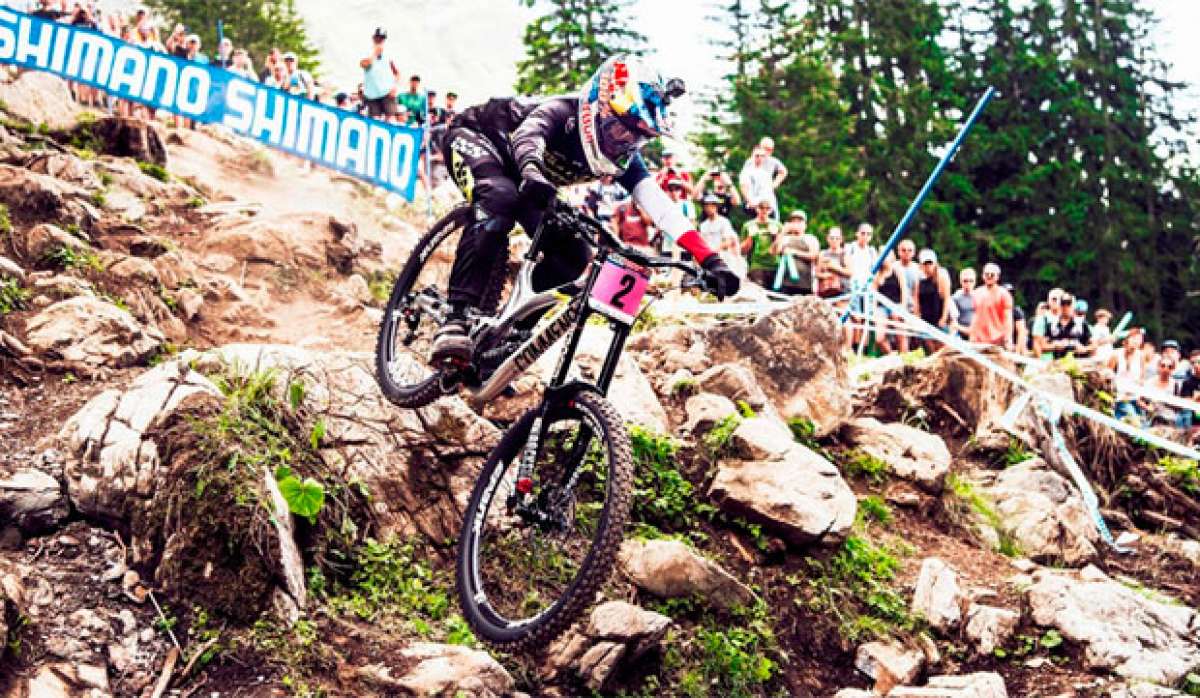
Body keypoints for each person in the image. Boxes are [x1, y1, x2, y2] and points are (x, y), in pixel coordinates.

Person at [431, 56, 738, 362]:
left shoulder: (626, 161)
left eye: (637, 138)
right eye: (621, 130)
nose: (625, 143)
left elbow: (662, 208)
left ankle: (509, 335)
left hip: (529, 178)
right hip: (476, 137)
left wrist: (710, 259)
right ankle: (455, 318)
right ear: (599, 108)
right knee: (499, 198)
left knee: (574, 254)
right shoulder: (564, 112)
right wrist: (533, 172)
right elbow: (529, 136)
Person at [771, 210, 818, 295]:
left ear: (805, 225)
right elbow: (774, 251)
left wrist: (794, 252)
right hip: (785, 283)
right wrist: (782, 232)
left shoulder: (810, 238)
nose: (796, 224)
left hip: (805, 283)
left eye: (799, 222)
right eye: (793, 222)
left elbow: (814, 255)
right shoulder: (785, 238)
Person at [913, 249, 951, 353]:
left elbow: (947, 298)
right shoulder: (919, 279)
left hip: (939, 318)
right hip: (925, 318)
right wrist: (917, 317)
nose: (928, 266)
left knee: (942, 349)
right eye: (925, 263)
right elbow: (916, 299)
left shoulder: (942, 277)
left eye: (930, 263)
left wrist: (943, 318)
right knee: (929, 348)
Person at [968, 263, 1013, 348]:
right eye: (986, 274)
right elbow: (975, 316)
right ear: (982, 276)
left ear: (997, 277)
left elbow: (1008, 319)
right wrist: (972, 336)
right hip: (979, 341)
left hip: (998, 340)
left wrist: (1008, 339)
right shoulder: (976, 293)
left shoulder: (1004, 294)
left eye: (992, 274)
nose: (989, 276)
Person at [872, 251, 910, 353]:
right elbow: (874, 294)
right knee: (879, 338)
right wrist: (874, 310)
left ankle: (905, 359)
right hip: (881, 308)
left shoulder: (897, 270)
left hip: (896, 305)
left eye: (887, 255)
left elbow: (904, 291)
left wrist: (902, 308)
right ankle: (892, 356)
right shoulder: (877, 273)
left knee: (900, 334)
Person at [738, 199, 781, 288]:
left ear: (771, 210)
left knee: (775, 294)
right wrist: (750, 237)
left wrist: (775, 236)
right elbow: (742, 251)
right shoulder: (748, 225)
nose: (764, 211)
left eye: (767, 208)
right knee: (759, 292)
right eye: (761, 208)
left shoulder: (777, 225)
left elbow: (780, 249)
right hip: (756, 265)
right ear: (757, 209)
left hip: (775, 265)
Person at [360, 28, 400, 121]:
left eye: (382, 38)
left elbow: (397, 72)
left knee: (390, 120)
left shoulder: (389, 54)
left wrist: (394, 86)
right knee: (375, 122)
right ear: (373, 38)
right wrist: (374, 53)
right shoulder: (366, 52)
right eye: (378, 37)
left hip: (387, 92)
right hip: (371, 94)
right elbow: (364, 64)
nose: (379, 40)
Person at [1109, 328, 1147, 424]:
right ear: (1127, 339)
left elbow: (1142, 378)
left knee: (1142, 423)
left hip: (1135, 397)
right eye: (1133, 338)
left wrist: (1140, 396)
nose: (1136, 341)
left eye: (1139, 339)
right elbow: (1107, 375)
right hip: (1120, 397)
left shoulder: (1141, 356)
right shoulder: (1116, 354)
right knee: (1135, 423)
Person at [698, 194, 742, 276]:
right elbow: (702, 242)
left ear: (716, 207)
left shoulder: (724, 222)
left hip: (723, 257)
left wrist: (714, 250)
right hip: (708, 258)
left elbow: (728, 241)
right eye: (706, 206)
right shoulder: (703, 225)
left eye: (711, 205)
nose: (708, 208)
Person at [738, 147, 779, 220]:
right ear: (752, 156)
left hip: (767, 207)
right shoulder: (747, 171)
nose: (760, 158)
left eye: (762, 156)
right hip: (753, 206)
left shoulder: (766, 174)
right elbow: (744, 187)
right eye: (757, 155)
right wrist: (750, 201)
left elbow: (769, 192)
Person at [1046, 293, 1091, 359]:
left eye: (1068, 304)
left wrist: (1084, 348)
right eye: (1063, 304)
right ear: (1059, 305)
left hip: (1079, 362)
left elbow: (1094, 344)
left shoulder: (1081, 323)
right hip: (1058, 362)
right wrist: (1054, 346)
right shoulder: (1051, 323)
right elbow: (1042, 345)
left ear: (1073, 306)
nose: (1065, 307)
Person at [816, 227, 850, 299]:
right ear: (827, 239)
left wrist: (835, 268)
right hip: (826, 291)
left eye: (837, 238)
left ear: (841, 239)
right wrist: (826, 276)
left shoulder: (845, 254)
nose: (834, 240)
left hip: (842, 291)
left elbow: (850, 273)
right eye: (832, 238)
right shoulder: (822, 254)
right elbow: (817, 273)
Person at [948, 268, 976, 340]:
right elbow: (952, 321)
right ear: (961, 281)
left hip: (976, 332)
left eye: (971, 281)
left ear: (975, 282)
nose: (968, 284)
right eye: (965, 281)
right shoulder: (955, 297)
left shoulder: (979, 297)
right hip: (960, 332)